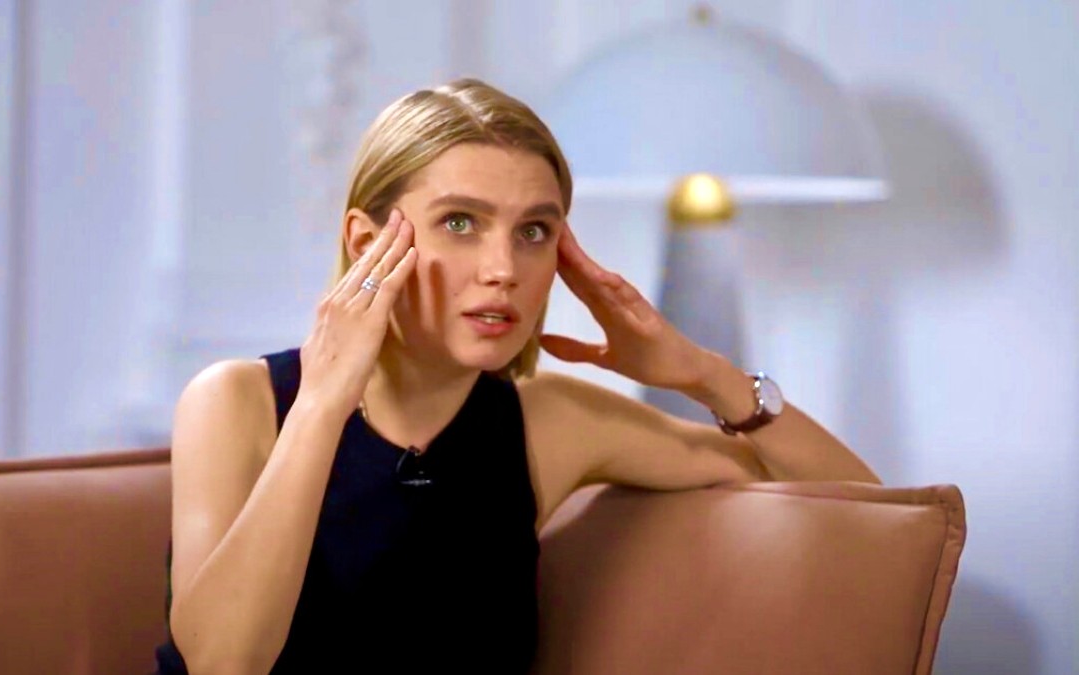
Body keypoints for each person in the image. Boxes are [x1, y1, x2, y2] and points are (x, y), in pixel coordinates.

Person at [153, 78, 880, 675]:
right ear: (368, 243)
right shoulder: (237, 402)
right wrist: (321, 405)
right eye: (460, 222)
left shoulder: (550, 422)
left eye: (533, 231)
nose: (504, 268)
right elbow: (224, 663)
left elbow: (870, 512)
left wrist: (700, 372)